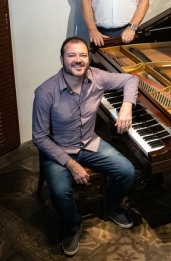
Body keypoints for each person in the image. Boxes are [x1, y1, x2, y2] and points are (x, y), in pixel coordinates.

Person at [32, 36, 137, 257]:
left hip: (90, 143)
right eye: (71, 55)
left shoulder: (97, 77)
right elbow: (39, 138)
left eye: (82, 55)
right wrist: (71, 164)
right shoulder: (45, 92)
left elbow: (130, 79)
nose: (78, 60)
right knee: (60, 193)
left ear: (88, 58)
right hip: (59, 150)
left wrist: (127, 106)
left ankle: (112, 206)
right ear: (62, 59)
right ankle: (72, 225)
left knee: (127, 171)